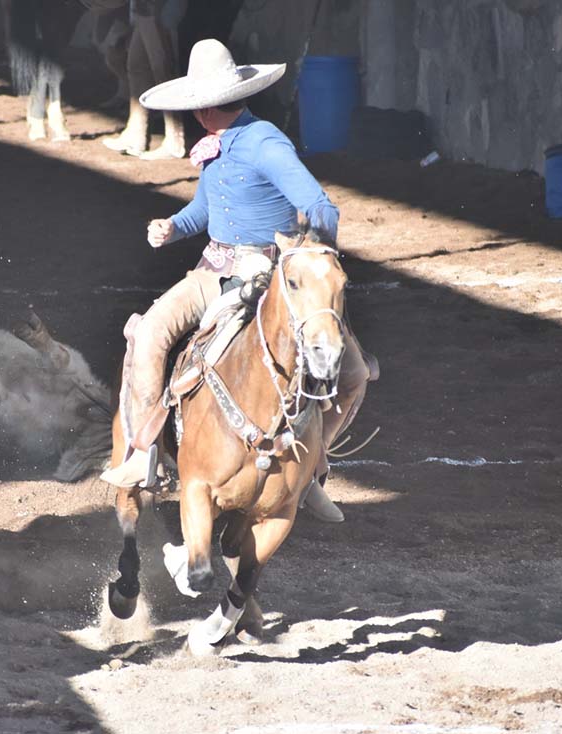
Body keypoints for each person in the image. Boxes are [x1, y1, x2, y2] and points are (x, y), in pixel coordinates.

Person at [100, 38, 375, 523]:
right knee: (149, 334)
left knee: (350, 373)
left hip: (272, 278)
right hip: (211, 271)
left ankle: (311, 465)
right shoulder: (217, 146)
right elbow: (206, 210)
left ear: (205, 110)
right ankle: (143, 459)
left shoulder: (265, 143)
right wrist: (173, 227)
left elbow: (319, 207)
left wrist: (310, 260)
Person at [101, 0, 185, 160]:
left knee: (162, 69)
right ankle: (136, 132)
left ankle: (175, 140)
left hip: (158, 8)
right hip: (144, 9)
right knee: (137, 66)